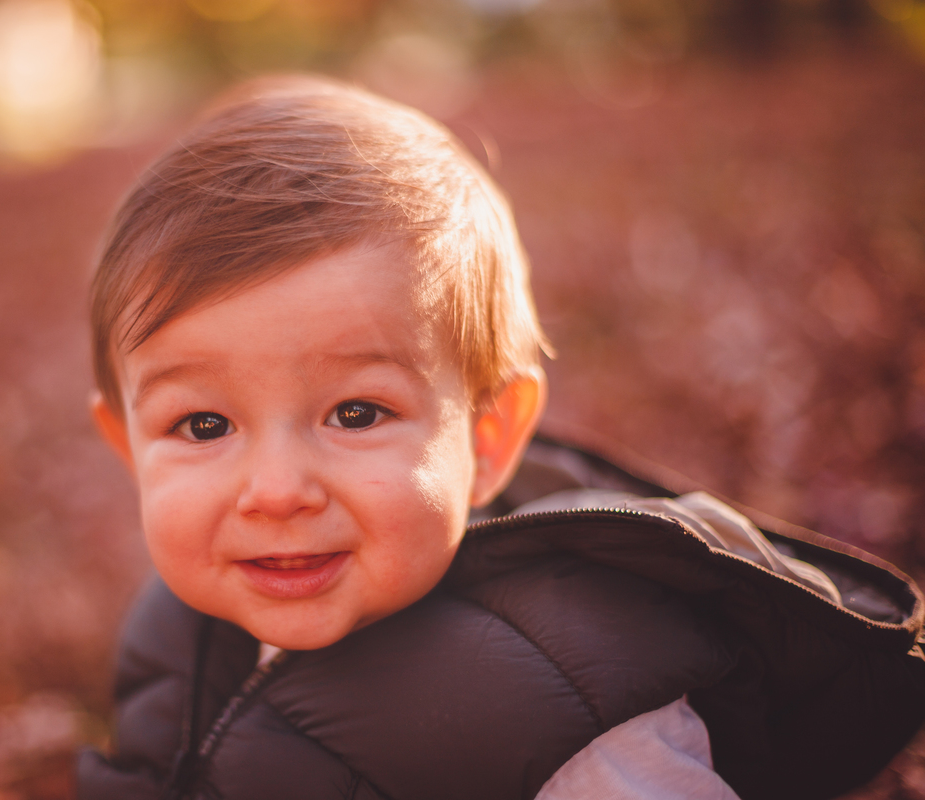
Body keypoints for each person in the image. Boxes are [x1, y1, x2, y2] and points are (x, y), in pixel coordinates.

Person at [75, 76, 925, 800]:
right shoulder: (178, 629)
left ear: (488, 436)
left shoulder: (582, 706)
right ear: (128, 447)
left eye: (357, 413)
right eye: (203, 425)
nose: (276, 489)